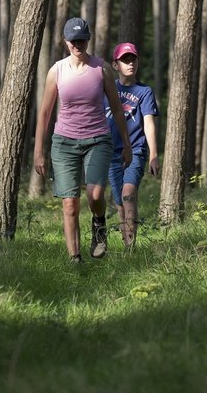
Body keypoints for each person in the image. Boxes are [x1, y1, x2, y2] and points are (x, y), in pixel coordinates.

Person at [34, 17, 132, 263]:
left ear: (88, 40)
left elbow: (118, 109)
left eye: (82, 39)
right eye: (73, 40)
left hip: (98, 139)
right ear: (66, 41)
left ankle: (99, 225)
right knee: (69, 204)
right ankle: (74, 259)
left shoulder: (101, 69)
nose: (78, 44)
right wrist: (38, 151)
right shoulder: (57, 71)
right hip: (64, 142)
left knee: (95, 195)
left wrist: (127, 144)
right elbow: (45, 113)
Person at [105, 42, 159, 249]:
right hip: (111, 152)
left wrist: (153, 155)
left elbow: (148, 122)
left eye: (133, 59)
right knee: (119, 201)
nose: (130, 63)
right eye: (125, 60)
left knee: (128, 194)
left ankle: (131, 247)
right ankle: (126, 242)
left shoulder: (144, 91)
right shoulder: (107, 88)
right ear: (115, 65)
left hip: (136, 150)